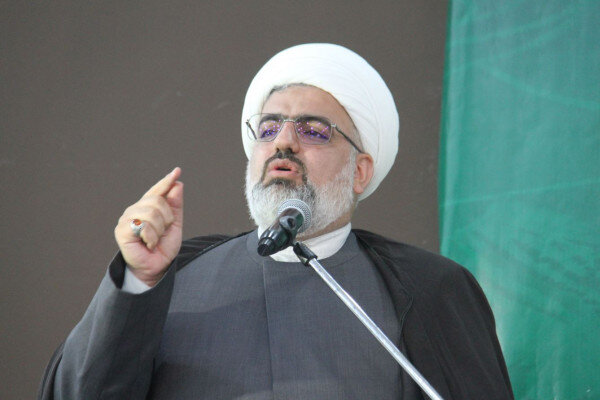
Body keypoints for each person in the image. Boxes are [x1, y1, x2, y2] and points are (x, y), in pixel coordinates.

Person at [38, 43, 513, 400]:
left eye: (313, 130)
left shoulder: (431, 290)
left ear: (360, 171)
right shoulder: (173, 277)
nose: (283, 142)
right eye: (268, 128)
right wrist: (138, 282)